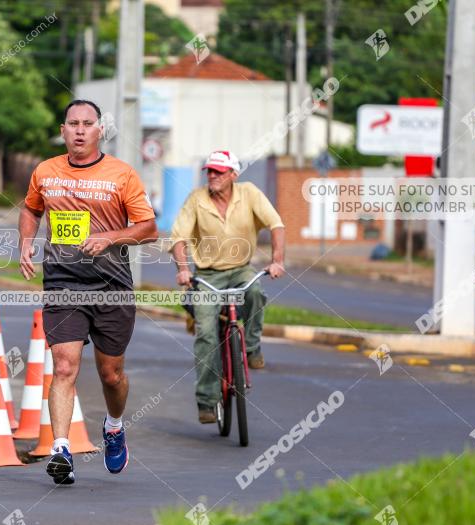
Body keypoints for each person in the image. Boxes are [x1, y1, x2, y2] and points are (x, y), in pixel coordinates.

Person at [19, 99, 158, 485]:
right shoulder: (46, 171)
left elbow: (148, 228)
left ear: (100, 130)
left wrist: (110, 237)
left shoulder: (122, 174)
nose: (80, 130)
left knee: (111, 374)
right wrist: (25, 242)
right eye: (73, 124)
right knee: (64, 366)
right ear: (62, 130)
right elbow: (31, 209)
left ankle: (113, 426)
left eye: (87, 124)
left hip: (112, 285)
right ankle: (61, 449)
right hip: (63, 282)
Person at [168, 150, 285, 424]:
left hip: (241, 269)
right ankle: (207, 401)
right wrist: (184, 270)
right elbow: (178, 238)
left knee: (255, 292)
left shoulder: (250, 193)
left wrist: (277, 260)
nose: (212, 176)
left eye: (218, 172)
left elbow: (276, 224)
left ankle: (253, 348)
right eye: (209, 171)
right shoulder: (196, 199)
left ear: (233, 174)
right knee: (207, 334)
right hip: (207, 275)